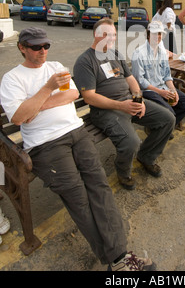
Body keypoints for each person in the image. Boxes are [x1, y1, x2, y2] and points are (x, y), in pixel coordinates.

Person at [0, 27, 155, 271]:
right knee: (79, 199)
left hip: (76, 132)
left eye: (46, 46)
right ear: (22, 48)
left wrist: (37, 106)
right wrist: (47, 89)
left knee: (99, 186)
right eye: (36, 47)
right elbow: (19, 117)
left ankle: (119, 257)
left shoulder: (55, 66)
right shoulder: (13, 79)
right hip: (45, 145)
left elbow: (72, 94)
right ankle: (119, 259)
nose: (42, 51)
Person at [73, 18, 175, 191]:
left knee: (168, 119)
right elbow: (89, 97)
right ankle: (123, 172)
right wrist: (121, 106)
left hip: (129, 102)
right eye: (106, 35)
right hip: (106, 111)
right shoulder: (85, 62)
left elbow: (131, 80)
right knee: (131, 142)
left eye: (113, 34)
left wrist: (139, 100)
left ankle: (146, 157)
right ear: (96, 35)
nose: (111, 38)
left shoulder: (116, 54)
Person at [131, 21, 185, 132]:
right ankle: (163, 126)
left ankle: (164, 127)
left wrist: (173, 91)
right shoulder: (139, 54)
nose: (158, 36)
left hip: (163, 88)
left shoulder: (161, 52)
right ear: (148, 34)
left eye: (160, 33)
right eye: (155, 33)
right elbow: (140, 81)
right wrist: (161, 93)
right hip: (149, 91)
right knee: (170, 112)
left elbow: (167, 76)